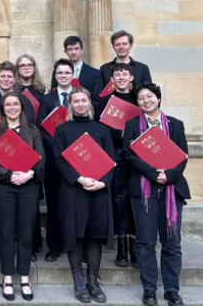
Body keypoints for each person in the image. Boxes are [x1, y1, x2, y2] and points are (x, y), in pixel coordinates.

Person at [123, 83, 190, 306]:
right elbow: (129, 156)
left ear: (158, 99)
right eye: (141, 98)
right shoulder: (132, 125)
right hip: (143, 190)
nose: (145, 100)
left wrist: (167, 176)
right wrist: (153, 174)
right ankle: (149, 290)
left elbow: (183, 155)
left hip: (172, 189)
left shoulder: (175, 125)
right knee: (145, 242)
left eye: (149, 96)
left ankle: (172, 290)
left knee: (172, 243)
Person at [53, 87, 115, 304]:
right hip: (73, 189)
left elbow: (111, 161)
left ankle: (93, 281)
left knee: (94, 235)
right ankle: (78, 281)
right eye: (75, 101)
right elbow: (59, 160)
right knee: (75, 235)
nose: (80, 104)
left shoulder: (101, 130)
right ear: (70, 105)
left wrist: (102, 183)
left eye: (83, 100)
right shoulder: (62, 130)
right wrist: (79, 179)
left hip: (97, 190)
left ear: (89, 103)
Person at [0, 91, 46, 302]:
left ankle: (25, 278)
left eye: (16, 104)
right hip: (4, 187)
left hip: (28, 187)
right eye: (8, 104)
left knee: (26, 233)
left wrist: (29, 174)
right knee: (6, 233)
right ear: (3, 109)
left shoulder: (33, 131)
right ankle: (7, 277)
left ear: (22, 107)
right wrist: (10, 175)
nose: (12, 107)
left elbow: (40, 159)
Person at [0, 61, 36, 261]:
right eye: (2, 76)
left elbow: (30, 127)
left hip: (22, 159)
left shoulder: (24, 101)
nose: (5, 79)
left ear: (15, 79)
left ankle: (28, 248)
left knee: (24, 209)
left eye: (9, 77)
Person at [95, 63, 138, 268]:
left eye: (124, 73)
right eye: (117, 74)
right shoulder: (104, 102)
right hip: (116, 156)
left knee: (136, 201)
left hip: (138, 158)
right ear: (112, 80)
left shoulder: (140, 99)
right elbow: (100, 130)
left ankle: (136, 247)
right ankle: (122, 248)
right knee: (120, 201)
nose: (121, 77)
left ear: (131, 78)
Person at [37, 58, 75, 263]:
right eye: (59, 73)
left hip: (76, 160)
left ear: (72, 75)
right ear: (55, 75)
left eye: (66, 73)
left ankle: (75, 246)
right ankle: (54, 246)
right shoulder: (47, 99)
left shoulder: (80, 97)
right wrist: (58, 147)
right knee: (54, 204)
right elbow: (41, 128)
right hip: (53, 158)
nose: (63, 76)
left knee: (74, 204)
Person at [51, 36, 101, 103]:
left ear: (82, 50)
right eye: (70, 49)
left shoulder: (95, 73)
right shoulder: (57, 72)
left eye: (76, 48)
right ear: (65, 51)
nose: (73, 52)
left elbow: (97, 100)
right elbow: (53, 95)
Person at [16, 54, 47, 122]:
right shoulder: (12, 90)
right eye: (23, 65)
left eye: (30, 65)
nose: (27, 68)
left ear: (34, 68)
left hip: (37, 129)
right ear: (17, 69)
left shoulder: (42, 90)